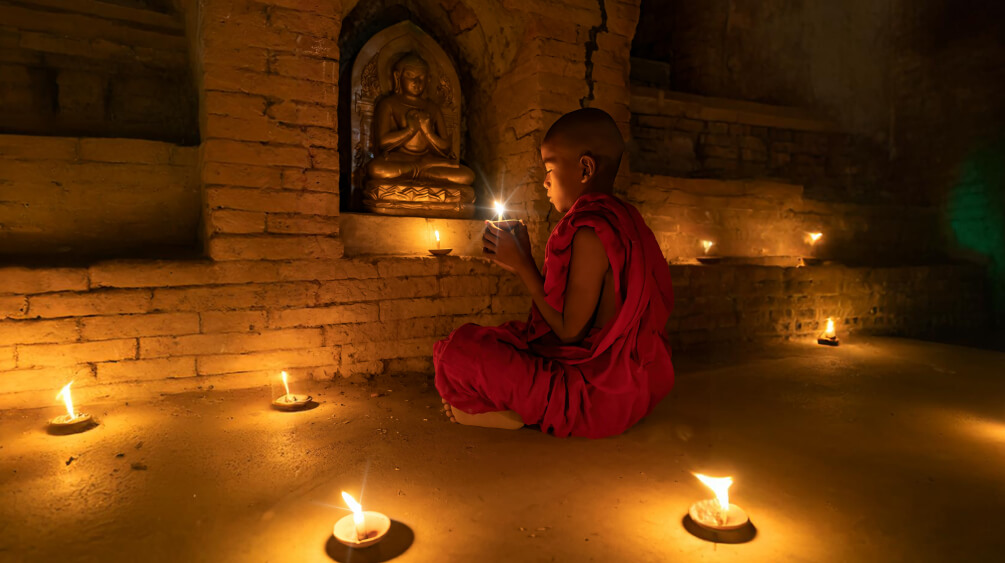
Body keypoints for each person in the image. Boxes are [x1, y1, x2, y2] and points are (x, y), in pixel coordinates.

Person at [433, 108, 674, 439]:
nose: (545, 181)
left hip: (594, 396)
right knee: (498, 338)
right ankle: (513, 403)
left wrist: (524, 266)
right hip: (630, 385)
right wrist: (521, 259)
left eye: (550, 168)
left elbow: (569, 332)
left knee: (456, 352)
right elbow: (580, 312)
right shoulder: (623, 218)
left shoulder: (590, 232)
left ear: (585, 168)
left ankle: (509, 412)